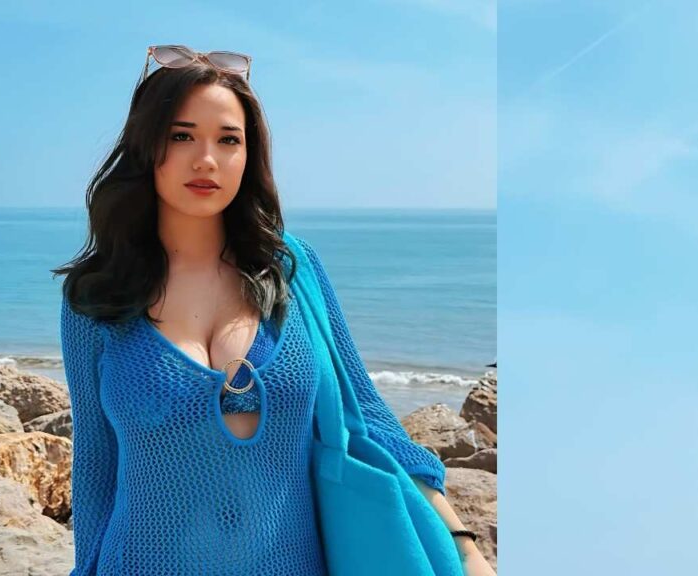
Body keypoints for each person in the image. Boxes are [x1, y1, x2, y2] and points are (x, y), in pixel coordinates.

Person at [52, 45, 495, 576]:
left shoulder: (291, 270)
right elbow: (96, 470)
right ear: (148, 147)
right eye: (182, 135)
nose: (206, 159)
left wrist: (464, 547)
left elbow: (369, 419)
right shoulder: (96, 297)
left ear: (249, 154)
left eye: (228, 139)